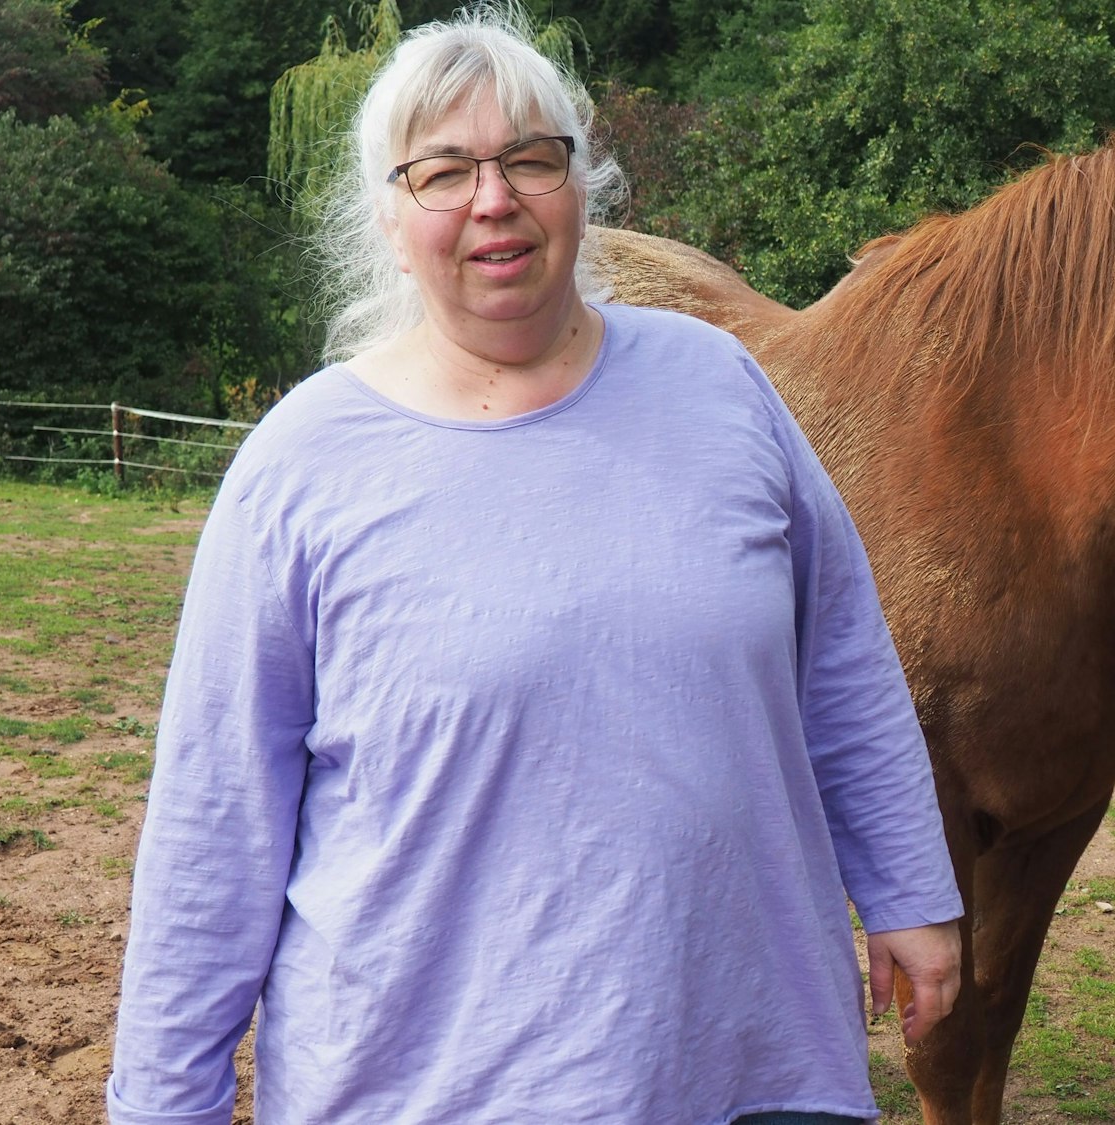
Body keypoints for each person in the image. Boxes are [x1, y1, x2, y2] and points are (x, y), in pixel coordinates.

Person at [104, 7, 964, 1123]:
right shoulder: (300, 467)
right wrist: (162, 1102)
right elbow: (216, 822)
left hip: (750, 1056)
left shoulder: (719, 385)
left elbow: (841, 652)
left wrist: (907, 887)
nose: (493, 198)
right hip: (427, 1087)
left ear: (581, 185)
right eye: (441, 172)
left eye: (528, 158)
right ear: (388, 220)